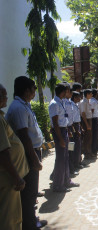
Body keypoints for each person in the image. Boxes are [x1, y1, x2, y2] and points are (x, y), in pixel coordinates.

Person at [6, 77, 47, 229]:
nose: (34, 92)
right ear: (26, 90)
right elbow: (24, 136)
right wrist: (34, 158)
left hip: (33, 151)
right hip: (28, 153)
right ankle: (30, 224)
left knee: (32, 191)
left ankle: (30, 219)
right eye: (33, 89)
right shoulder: (18, 108)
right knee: (29, 193)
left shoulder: (24, 105)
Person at [0, 84, 29, 230]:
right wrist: (16, 176)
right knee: (9, 217)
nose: (6, 98)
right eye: (3, 95)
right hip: (7, 178)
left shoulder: (1, 116)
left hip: (8, 177)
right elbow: (3, 152)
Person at [49, 83, 79, 192]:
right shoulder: (54, 104)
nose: (67, 93)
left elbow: (63, 119)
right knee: (61, 159)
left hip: (64, 130)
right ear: (62, 92)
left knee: (65, 157)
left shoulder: (60, 102)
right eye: (66, 91)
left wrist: (68, 130)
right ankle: (58, 185)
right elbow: (55, 123)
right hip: (59, 132)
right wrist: (61, 138)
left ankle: (66, 180)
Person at [79, 89, 93, 159]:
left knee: (89, 137)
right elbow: (83, 114)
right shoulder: (83, 102)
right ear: (87, 94)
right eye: (90, 94)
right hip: (86, 121)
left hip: (89, 120)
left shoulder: (88, 101)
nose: (91, 95)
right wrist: (87, 124)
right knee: (86, 138)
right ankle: (86, 153)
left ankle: (88, 152)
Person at [71, 91, 83, 169]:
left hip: (77, 125)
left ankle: (77, 162)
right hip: (74, 126)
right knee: (75, 146)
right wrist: (76, 130)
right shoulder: (71, 105)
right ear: (75, 98)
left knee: (78, 146)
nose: (80, 98)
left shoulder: (75, 105)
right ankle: (75, 164)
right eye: (78, 97)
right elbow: (72, 119)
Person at [90, 89, 98, 156]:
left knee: (95, 135)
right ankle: (94, 150)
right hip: (93, 119)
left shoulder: (93, 101)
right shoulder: (93, 101)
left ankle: (95, 149)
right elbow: (92, 111)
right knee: (94, 135)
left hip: (95, 118)